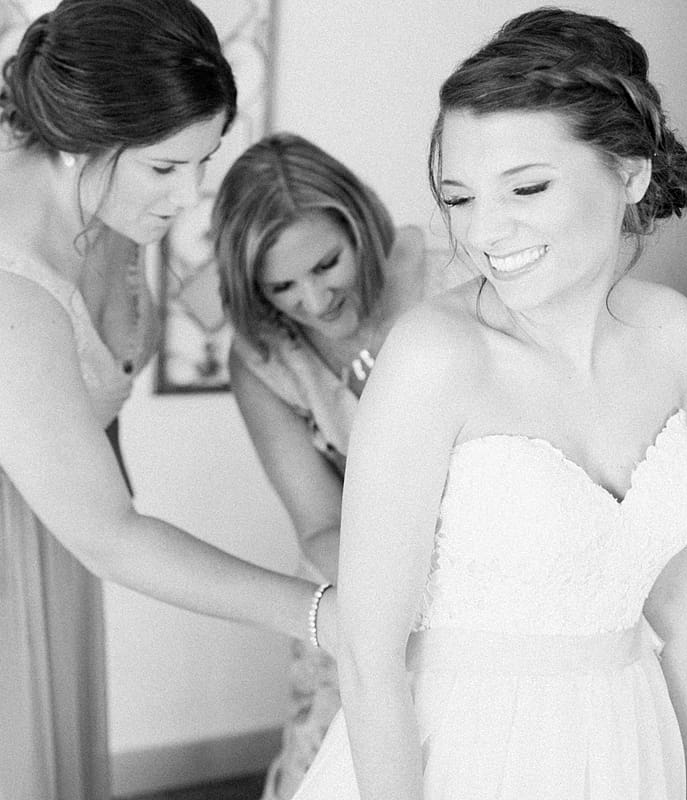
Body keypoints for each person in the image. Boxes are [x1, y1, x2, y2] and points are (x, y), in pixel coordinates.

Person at [0, 2, 338, 798]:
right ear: (84, 144)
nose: (189, 197)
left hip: (38, 503)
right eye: (166, 168)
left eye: (203, 160)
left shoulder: (105, 196)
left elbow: (92, 401)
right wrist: (321, 613)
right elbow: (110, 536)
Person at [293, 8, 687, 800]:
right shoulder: (432, 358)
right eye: (459, 198)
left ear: (630, 172)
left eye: (525, 186)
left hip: (632, 739)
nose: (485, 232)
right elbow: (367, 654)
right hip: (459, 755)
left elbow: (674, 586)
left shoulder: (674, 336)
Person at [213, 132, 467, 800]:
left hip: (485, 556)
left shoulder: (450, 282)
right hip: (357, 568)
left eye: (328, 264)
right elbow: (319, 522)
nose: (315, 300)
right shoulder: (265, 357)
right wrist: (394, 601)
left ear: (359, 224)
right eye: (282, 287)